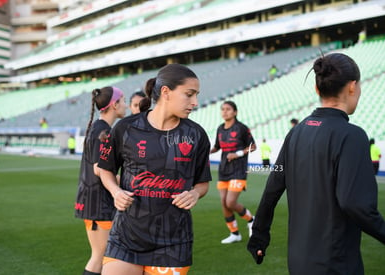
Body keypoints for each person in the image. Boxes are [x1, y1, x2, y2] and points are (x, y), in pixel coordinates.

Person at [247, 53, 385, 274]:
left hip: (299, 262)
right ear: (352, 87)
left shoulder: (296, 132)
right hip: (335, 264)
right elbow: (354, 204)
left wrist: (259, 233)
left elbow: (273, 185)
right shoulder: (352, 135)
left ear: (317, 89)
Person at [97, 63, 212, 275]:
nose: (195, 102)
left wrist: (195, 193)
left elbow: (203, 182)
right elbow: (105, 169)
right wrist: (116, 192)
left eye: (196, 95)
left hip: (173, 242)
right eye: (189, 94)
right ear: (166, 92)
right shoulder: (126, 128)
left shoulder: (197, 135)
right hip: (126, 236)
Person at [74, 86, 127, 275]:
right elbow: (99, 168)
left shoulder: (99, 128)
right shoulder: (103, 131)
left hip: (94, 200)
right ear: (114, 105)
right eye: (123, 101)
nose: (126, 106)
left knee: (103, 255)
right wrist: (126, 182)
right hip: (97, 202)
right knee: (101, 256)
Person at [210, 101, 256, 244]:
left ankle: (252, 219)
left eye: (228, 109)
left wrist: (238, 154)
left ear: (235, 112)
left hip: (238, 170)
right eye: (222, 109)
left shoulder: (242, 128)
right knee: (224, 203)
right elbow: (217, 147)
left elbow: (253, 147)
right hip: (223, 170)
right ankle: (235, 234)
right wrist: (206, 151)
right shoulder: (220, 129)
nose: (225, 112)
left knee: (230, 202)